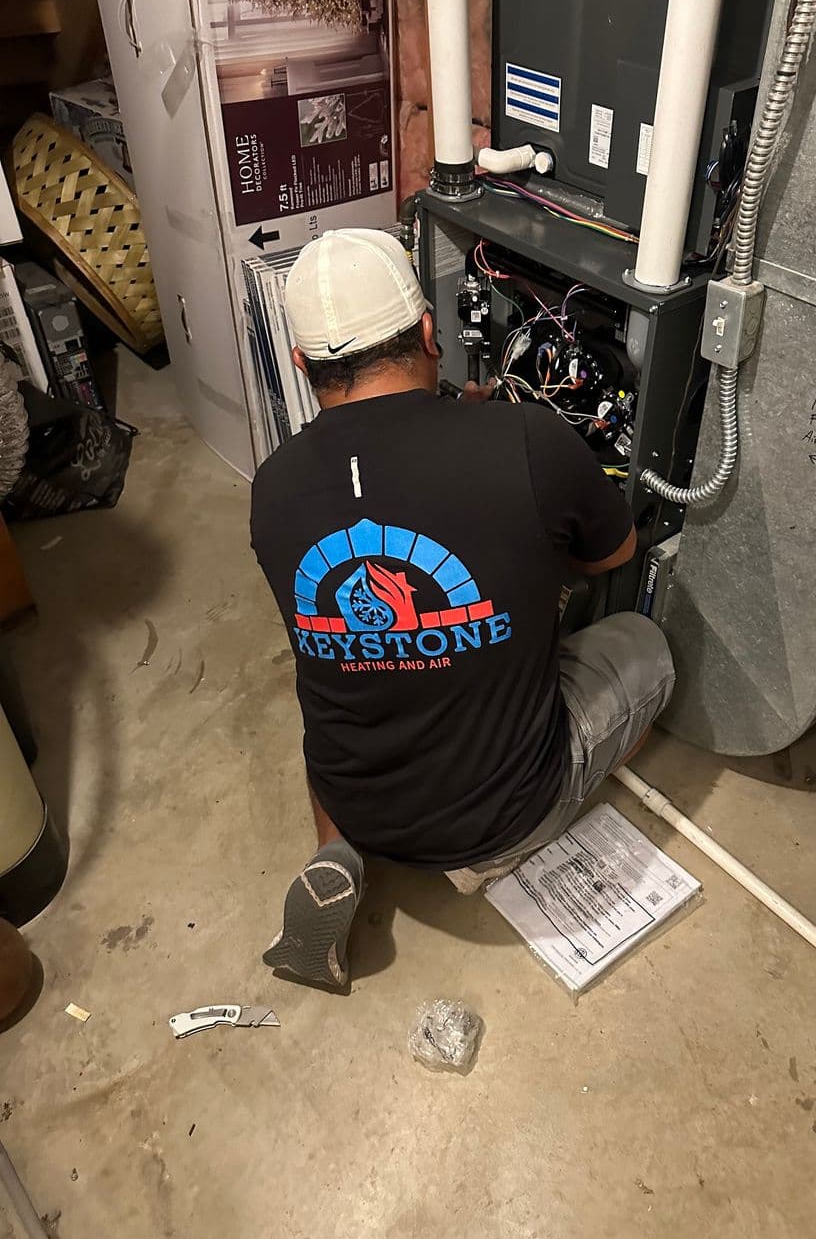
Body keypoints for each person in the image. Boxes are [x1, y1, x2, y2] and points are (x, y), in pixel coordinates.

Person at [250, 228, 674, 987]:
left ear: (302, 365)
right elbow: (613, 553)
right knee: (647, 648)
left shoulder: (272, 487)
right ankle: (501, 848)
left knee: (340, 684)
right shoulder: (527, 440)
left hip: (356, 794)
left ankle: (335, 853)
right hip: (500, 809)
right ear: (425, 332)